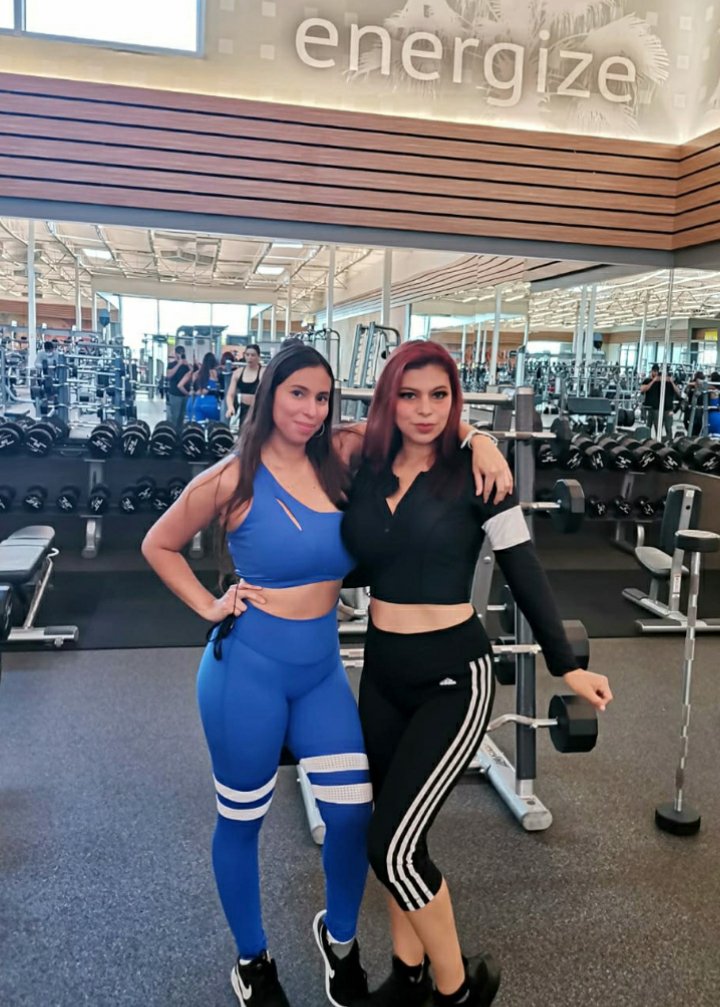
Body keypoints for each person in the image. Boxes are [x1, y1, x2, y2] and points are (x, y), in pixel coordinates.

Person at [141, 342, 513, 1007]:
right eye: (297, 394)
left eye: (322, 397)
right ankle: (253, 961)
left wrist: (479, 437)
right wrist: (209, 605)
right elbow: (158, 543)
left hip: (319, 672)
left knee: (352, 818)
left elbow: (417, 417)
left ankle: (340, 941)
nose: (311, 410)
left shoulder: (340, 453)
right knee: (242, 820)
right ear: (268, 395)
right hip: (246, 673)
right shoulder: (231, 478)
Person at [340, 341, 614, 1007]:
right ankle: (407, 974)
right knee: (402, 835)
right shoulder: (367, 470)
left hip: (454, 679)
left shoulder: (480, 474)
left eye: (440, 395)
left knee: (391, 846)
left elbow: (523, 567)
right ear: (388, 400)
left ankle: (459, 989)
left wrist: (566, 665)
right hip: (382, 675)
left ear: (455, 399)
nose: (425, 409)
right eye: (409, 395)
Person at [640, 364, 680, 442]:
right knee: (653, 427)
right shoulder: (649, 381)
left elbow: (678, 393)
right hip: (654, 408)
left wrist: (671, 382)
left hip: (667, 409)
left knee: (668, 427)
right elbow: (642, 389)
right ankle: (651, 442)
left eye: (657, 371)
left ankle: (668, 442)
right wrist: (654, 380)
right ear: (652, 371)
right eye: (654, 371)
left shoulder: (668, 382)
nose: (656, 373)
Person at [226, 343, 263, 425]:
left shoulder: (263, 373)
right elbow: (230, 395)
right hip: (241, 409)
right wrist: (230, 407)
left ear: (258, 357)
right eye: (247, 355)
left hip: (257, 409)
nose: (250, 357)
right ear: (244, 356)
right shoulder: (237, 373)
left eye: (253, 355)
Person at [180, 351, 222, 422]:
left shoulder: (197, 374)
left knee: (197, 427)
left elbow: (192, 388)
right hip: (212, 402)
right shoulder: (216, 373)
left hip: (196, 402)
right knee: (215, 426)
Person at [165, 345, 191, 430]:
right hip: (175, 394)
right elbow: (168, 376)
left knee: (182, 417)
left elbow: (193, 373)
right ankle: (173, 432)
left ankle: (180, 433)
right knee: (175, 416)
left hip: (185, 394)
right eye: (179, 353)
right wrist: (179, 364)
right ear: (176, 354)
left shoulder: (187, 365)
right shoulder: (171, 365)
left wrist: (188, 364)